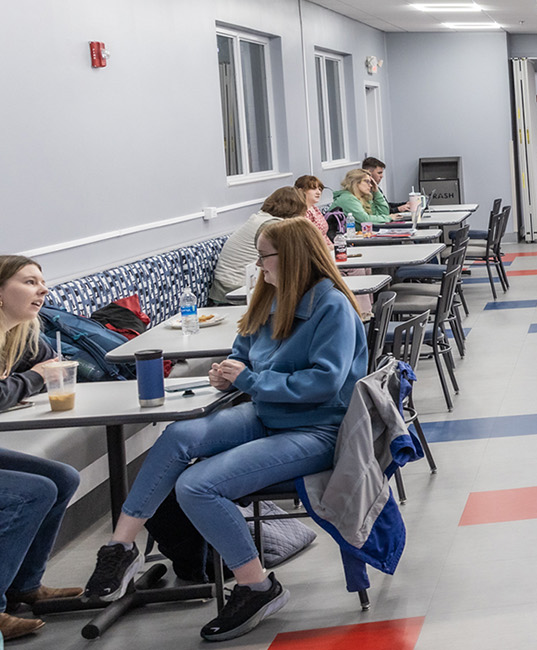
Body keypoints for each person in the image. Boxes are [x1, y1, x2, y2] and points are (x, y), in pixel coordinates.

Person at [82, 218, 369, 641]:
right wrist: (226, 374)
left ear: (289, 258)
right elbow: (244, 352)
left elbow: (323, 382)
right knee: (180, 435)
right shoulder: (268, 297)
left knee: (196, 486)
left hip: (318, 429)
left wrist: (248, 380)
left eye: (264, 255)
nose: (258, 263)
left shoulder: (332, 307)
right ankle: (120, 548)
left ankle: (258, 587)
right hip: (269, 412)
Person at [0, 256, 84, 641]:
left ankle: (25, 586)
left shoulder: (18, 333)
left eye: (43, 282)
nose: (43, 290)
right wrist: (32, 380)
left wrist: (36, 372)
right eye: (30, 282)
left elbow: (53, 361)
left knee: (61, 477)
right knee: (33, 492)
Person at [209, 187, 309, 304]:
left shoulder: (261, 218)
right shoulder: (272, 227)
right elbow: (295, 256)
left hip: (227, 287)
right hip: (232, 292)